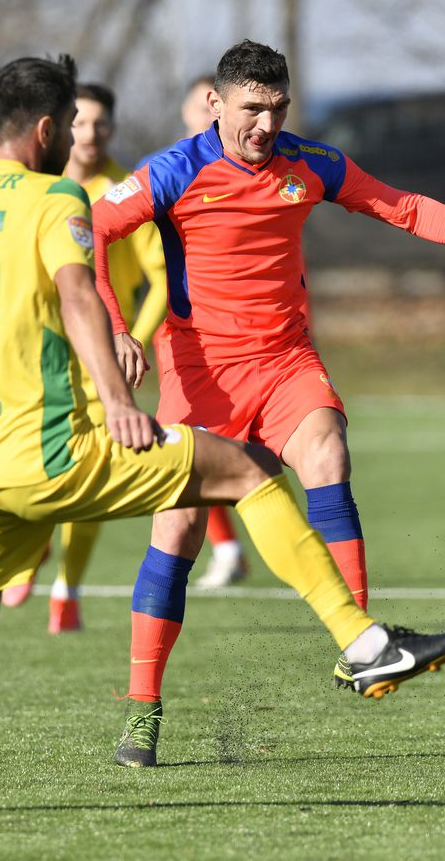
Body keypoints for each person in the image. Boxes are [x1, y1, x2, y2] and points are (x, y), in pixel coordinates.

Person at [0, 53, 445, 816]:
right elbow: (82, 293)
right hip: (57, 453)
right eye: (74, 130)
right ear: (50, 130)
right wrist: (120, 398)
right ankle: (362, 643)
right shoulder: (55, 199)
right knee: (250, 473)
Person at [92, 40, 445, 720]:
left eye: (278, 109)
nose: (267, 126)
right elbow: (91, 231)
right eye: (252, 109)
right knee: (178, 533)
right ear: (215, 104)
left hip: (285, 363)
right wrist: (116, 326)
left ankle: (361, 643)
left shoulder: (309, 165)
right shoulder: (172, 170)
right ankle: (142, 704)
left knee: (327, 450)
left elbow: (406, 207)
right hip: (200, 379)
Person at [0, 82, 168, 633]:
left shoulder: (124, 191)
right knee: (32, 465)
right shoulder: (40, 188)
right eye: (81, 122)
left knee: (85, 476)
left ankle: (67, 590)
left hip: (99, 363)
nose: (89, 134)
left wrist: (129, 341)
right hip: (42, 360)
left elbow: (161, 280)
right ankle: (29, 554)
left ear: (112, 130)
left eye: (100, 124)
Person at [177, 73, 251, 590]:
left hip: (239, 340)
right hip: (183, 341)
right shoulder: (170, 172)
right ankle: (226, 549)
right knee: (197, 454)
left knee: (220, 457)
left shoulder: (263, 168)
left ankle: (228, 549)